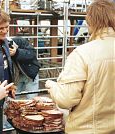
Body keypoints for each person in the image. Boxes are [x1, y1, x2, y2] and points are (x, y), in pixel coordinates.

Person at [45, 0, 115, 133]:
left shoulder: (83, 53)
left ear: (91, 22)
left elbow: (67, 99)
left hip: (87, 129)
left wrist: (52, 86)